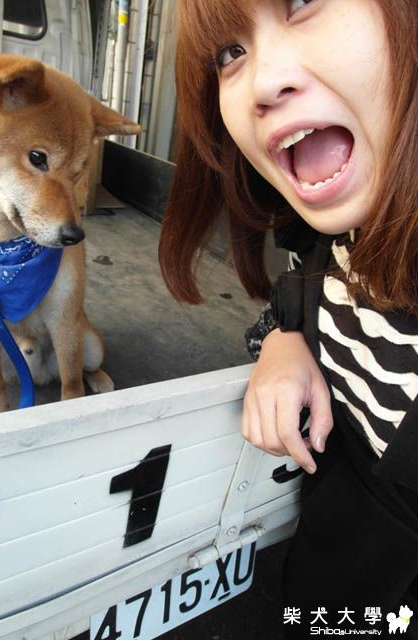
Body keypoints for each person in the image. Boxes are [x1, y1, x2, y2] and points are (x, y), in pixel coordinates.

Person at [158, 0, 418, 637]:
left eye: (304, 3)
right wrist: (281, 338)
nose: (263, 83)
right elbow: (297, 287)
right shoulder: (331, 242)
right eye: (230, 54)